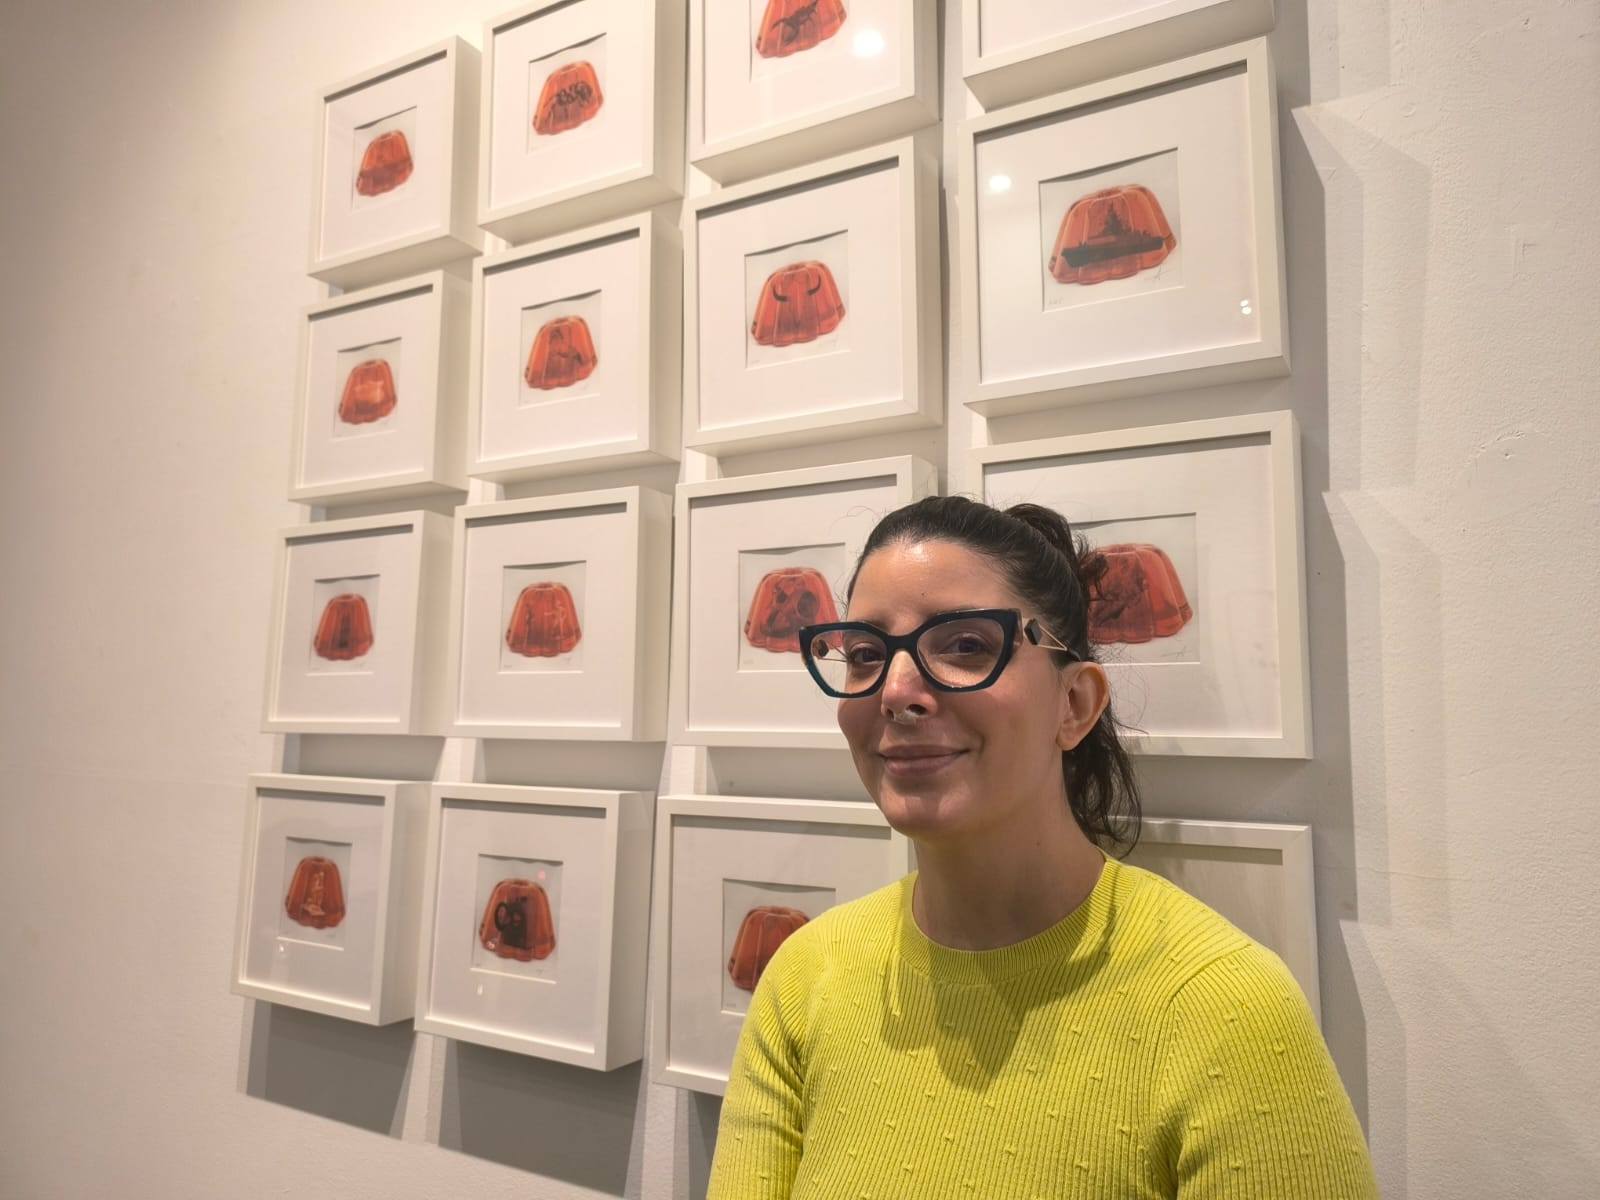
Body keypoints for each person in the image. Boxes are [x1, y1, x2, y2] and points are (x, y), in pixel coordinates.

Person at [705, 496, 1379, 1199]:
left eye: (965, 645)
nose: (897, 692)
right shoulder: (805, 977)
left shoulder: (1224, 1011)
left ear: (1074, 705)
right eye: (867, 655)